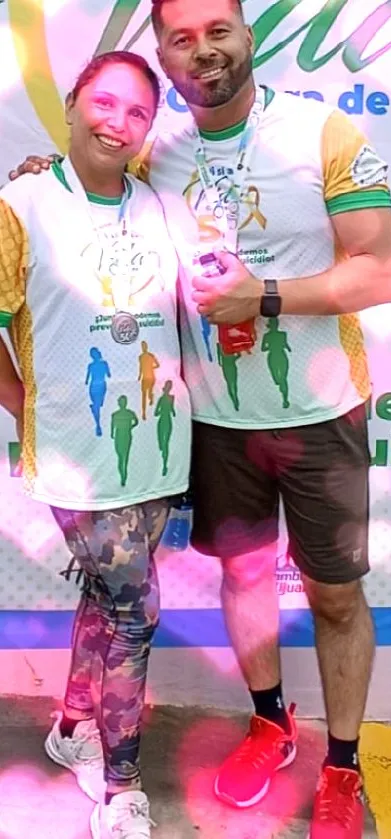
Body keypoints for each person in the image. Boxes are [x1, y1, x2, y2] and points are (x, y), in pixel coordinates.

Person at [9, 1, 391, 836]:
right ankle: (269, 722)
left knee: (334, 596)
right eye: (179, 39)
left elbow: (383, 270)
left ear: (247, 35)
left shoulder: (322, 133)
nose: (202, 52)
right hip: (214, 421)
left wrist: (260, 296)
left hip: (321, 409)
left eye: (216, 30)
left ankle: (340, 765)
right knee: (244, 576)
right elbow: (92, 177)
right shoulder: (154, 147)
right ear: (163, 53)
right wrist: (46, 172)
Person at [0, 49, 191, 839]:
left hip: (159, 446)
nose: (117, 122)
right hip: (79, 454)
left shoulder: (154, 203)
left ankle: (74, 723)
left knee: (107, 597)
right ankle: (119, 786)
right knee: (135, 611)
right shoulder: (19, 204)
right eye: (104, 103)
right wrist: (29, 406)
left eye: (137, 112)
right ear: (74, 102)